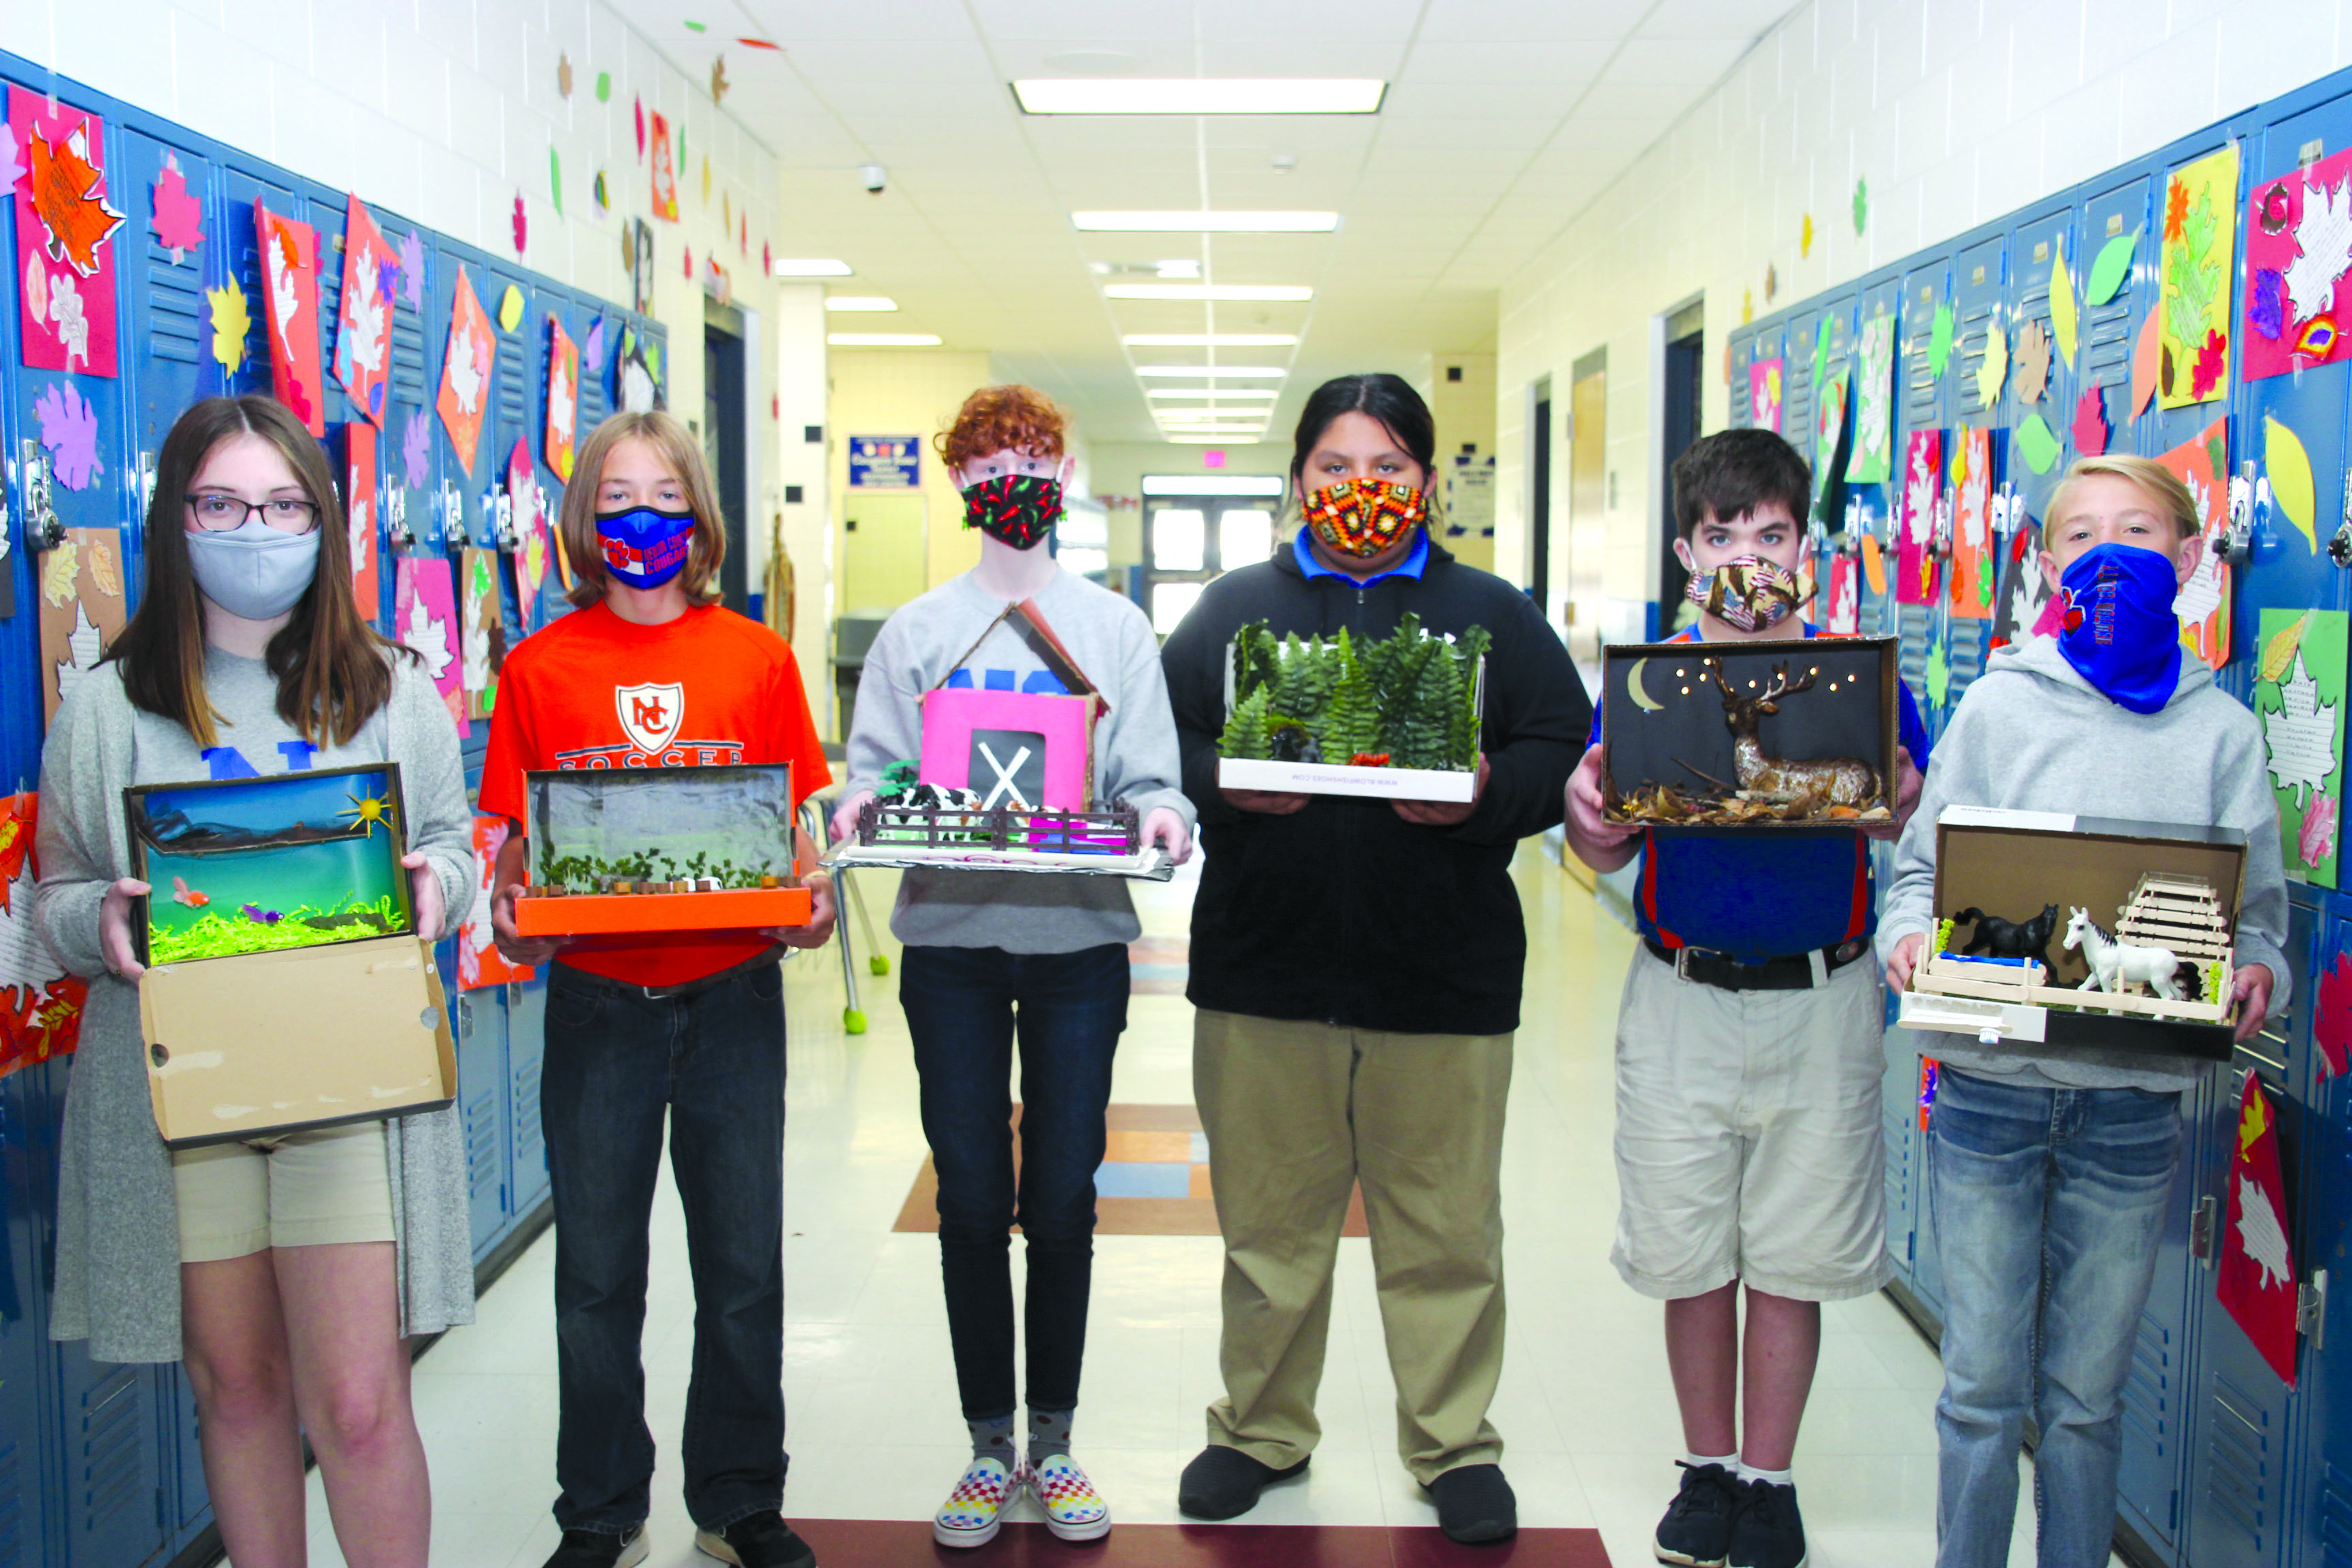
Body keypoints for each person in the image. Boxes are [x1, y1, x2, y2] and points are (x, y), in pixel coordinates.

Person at [34, 393, 476, 1568]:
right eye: (222, 503)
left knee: (362, 1403)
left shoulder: (390, 688)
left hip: (350, 1093)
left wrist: (437, 883)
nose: (256, 528)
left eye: (284, 505)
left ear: (323, 525)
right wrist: (104, 921)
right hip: (187, 1100)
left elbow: (454, 847)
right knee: (235, 1389)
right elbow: (54, 899)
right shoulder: (107, 710)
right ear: (175, 520)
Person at [1158, 373, 1588, 1545]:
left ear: (1430, 484)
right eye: (1338, 467)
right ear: (1300, 479)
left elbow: (1564, 742)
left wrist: (1494, 794)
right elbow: (1164, 733)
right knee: (1268, 1226)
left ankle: (1452, 1446)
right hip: (1264, 973)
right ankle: (1259, 1430)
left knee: (1446, 1230)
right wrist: (1221, 784)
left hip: (1441, 979)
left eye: (1389, 468)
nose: (1362, 491)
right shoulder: (1237, 607)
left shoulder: (1490, 613)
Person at [1878, 455, 2286, 1568]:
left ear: (2194, 560)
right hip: (1987, 1097)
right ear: (2045, 560)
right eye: (2082, 535)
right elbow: (1919, 876)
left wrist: (2255, 975)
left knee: (2084, 1401)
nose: (2111, 556)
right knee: (1979, 1389)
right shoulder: (2001, 706)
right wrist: (1908, 940)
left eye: (2142, 532)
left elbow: (2260, 923)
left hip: (2132, 1110)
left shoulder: (2224, 736)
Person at [830, 384, 1194, 1548]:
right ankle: (991, 1446)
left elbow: (1152, 780)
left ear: (1067, 474)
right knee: (975, 1200)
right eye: (991, 461)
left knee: (1066, 1200)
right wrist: (849, 806)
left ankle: (1059, 1440)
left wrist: (1164, 817)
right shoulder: (918, 632)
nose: (1015, 478)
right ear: (962, 484)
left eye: (1036, 455)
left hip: (1082, 945)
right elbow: (875, 776)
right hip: (949, 949)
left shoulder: (1116, 630)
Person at [1563, 427, 1927, 1568]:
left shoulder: (1854, 674)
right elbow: (1602, 845)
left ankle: (1770, 1483)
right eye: (1723, 535)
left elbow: (1904, 809)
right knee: (1691, 1251)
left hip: (1823, 999)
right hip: (1682, 997)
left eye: (1771, 534)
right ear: (1686, 550)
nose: (1747, 557)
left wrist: (1897, 800)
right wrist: (1592, 823)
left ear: (1804, 549)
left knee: (1794, 1255)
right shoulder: (1650, 681)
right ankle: (1706, 1468)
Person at [485, 410, 838, 1568]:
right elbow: (516, 856)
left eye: (667, 495)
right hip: (598, 1006)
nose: (644, 517)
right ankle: (600, 1508)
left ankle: (738, 1497)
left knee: (742, 1268)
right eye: (619, 496)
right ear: (586, 520)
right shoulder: (539, 668)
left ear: (701, 520)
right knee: (595, 1276)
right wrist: (511, 913)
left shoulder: (758, 659)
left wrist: (811, 892)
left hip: (733, 996)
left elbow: (794, 835)